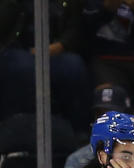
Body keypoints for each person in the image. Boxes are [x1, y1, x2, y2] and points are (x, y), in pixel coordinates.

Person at [0, 0, 89, 130]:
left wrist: (61, 45)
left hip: (56, 51)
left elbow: (76, 27)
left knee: (74, 66)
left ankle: (77, 131)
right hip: (17, 50)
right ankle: (15, 128)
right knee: (23, 67)